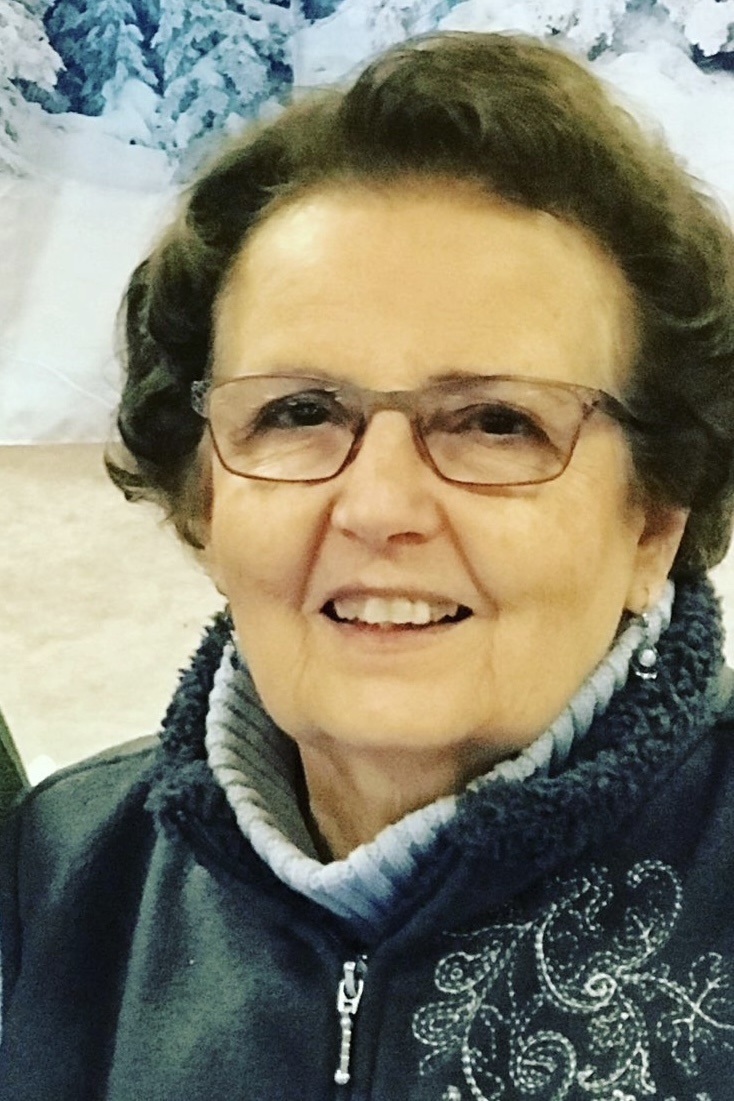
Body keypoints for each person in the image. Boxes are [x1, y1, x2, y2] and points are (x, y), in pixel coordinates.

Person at [2, 29, 734, 1100]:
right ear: (206, 497)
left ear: (653, 523)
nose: (380, 505)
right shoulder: (67, 869)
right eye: (299, 411)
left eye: (495, 422)